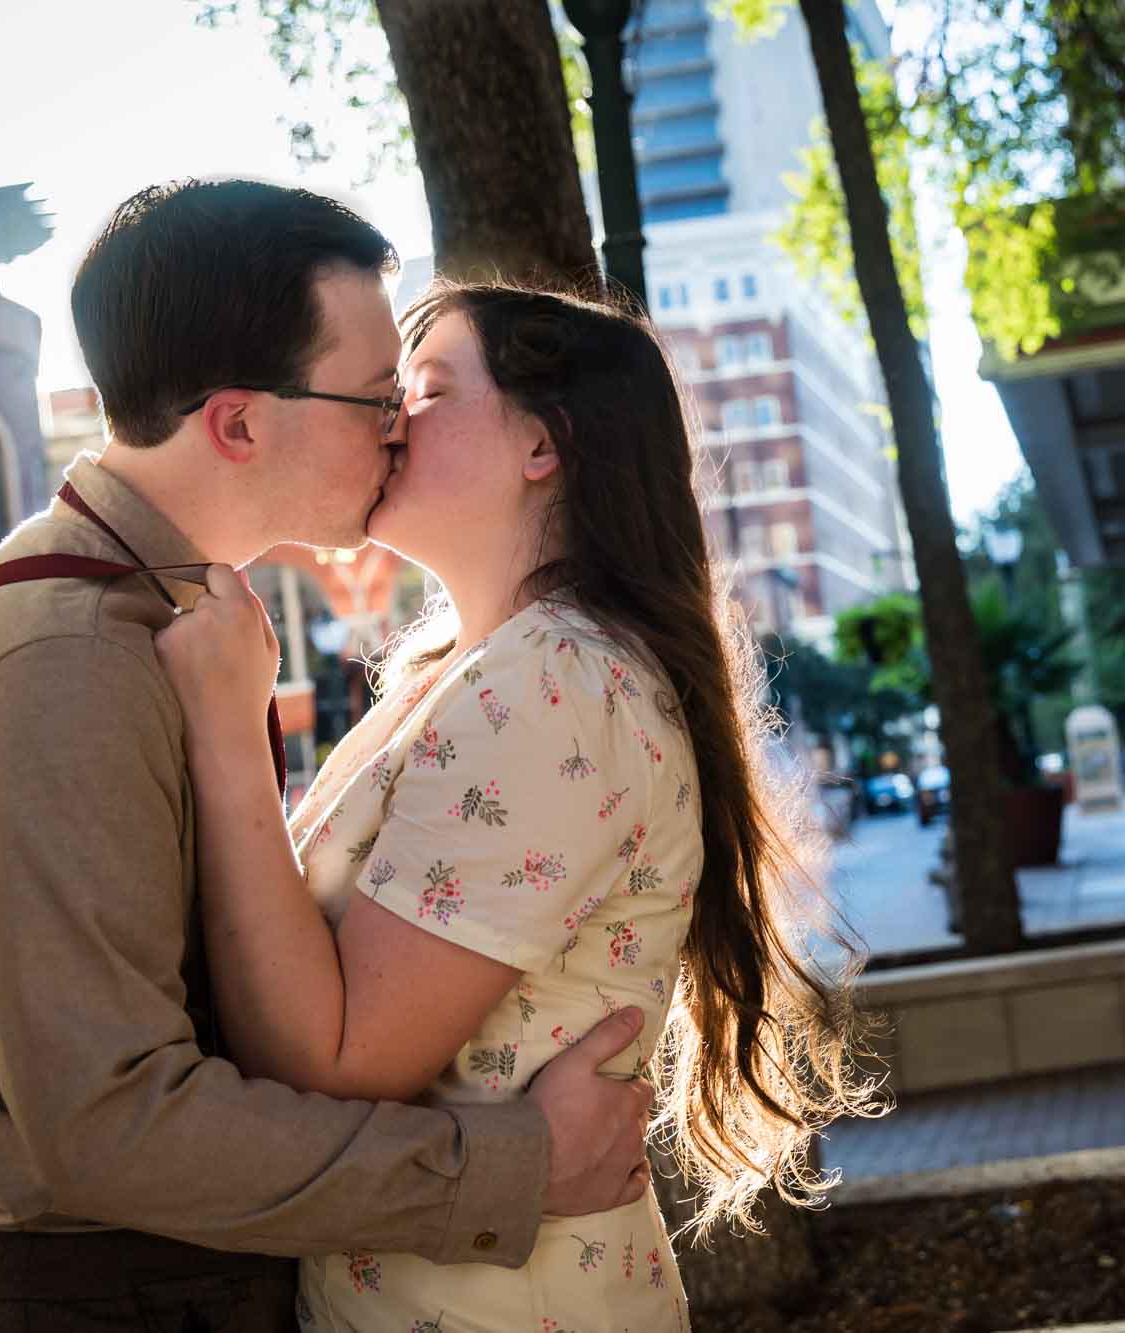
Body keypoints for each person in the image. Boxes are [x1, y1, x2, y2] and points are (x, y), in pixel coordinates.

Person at [0, 181, 654, 1333]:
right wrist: (508, 1168)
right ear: (237, 422)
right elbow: (113, 1125)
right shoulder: (58, 659)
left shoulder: (173, 623)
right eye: (376, 397)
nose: (397, 429)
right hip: (91, 1296)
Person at [154, 280, 882, 1331]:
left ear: (543, 443)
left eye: (430, 388)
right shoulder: (477, 671)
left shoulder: (553, 685)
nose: (391, 419)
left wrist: (227, 733)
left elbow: (338, 1060)